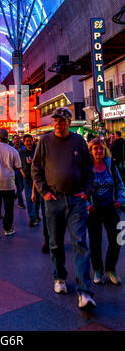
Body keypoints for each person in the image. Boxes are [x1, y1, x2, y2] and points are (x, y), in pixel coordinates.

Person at [31, 107, 96, 309]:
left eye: (62, 120)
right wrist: (44, 192)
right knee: (55, 242)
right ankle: (59, 277)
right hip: (53, 199)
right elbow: (36, 169)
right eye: (56, 120)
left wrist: (87, 191)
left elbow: (88, 168)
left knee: (80, 243)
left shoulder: (78, 141)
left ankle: (84, 292)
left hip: (76, 200)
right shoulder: (45, 141)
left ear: (69, 122)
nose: (59, 123)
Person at [87, 138, 125, 285]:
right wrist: (87, 204)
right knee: (95, 241)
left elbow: (120, 184)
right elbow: (81, 187)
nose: (99, 151)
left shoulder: (111, 164)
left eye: (101, 148)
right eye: (95, 148)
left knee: (117, 239)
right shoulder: (87, 167)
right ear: (91, 151)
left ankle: (110, 269)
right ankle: (97, 270)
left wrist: (120, 200)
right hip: (94, 210)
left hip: (111, 208)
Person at [13, 137, 26, 209]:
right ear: (13, 140)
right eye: (15, 139)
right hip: (16, 170)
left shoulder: (24, 148)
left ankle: (16, 195)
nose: (17, 140)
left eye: (18, 139)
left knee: (23, 186)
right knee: (19, 186)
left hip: (23, 169)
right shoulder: (11, 149)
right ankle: (21, 203)